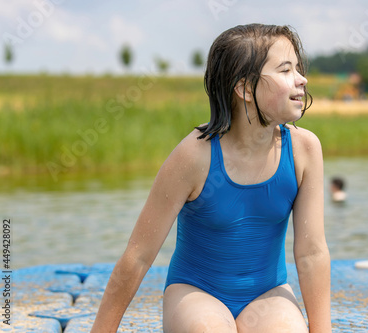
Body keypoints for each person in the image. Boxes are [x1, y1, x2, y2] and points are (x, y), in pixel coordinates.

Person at [91, 23, 331, 333]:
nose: (302, 79)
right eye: (286, 70)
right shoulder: (195, 156)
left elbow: (312, 253)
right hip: (195, 293)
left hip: (268, 295)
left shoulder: (304, 150)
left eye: (299, 68)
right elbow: (138, 256)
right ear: (244, 88)